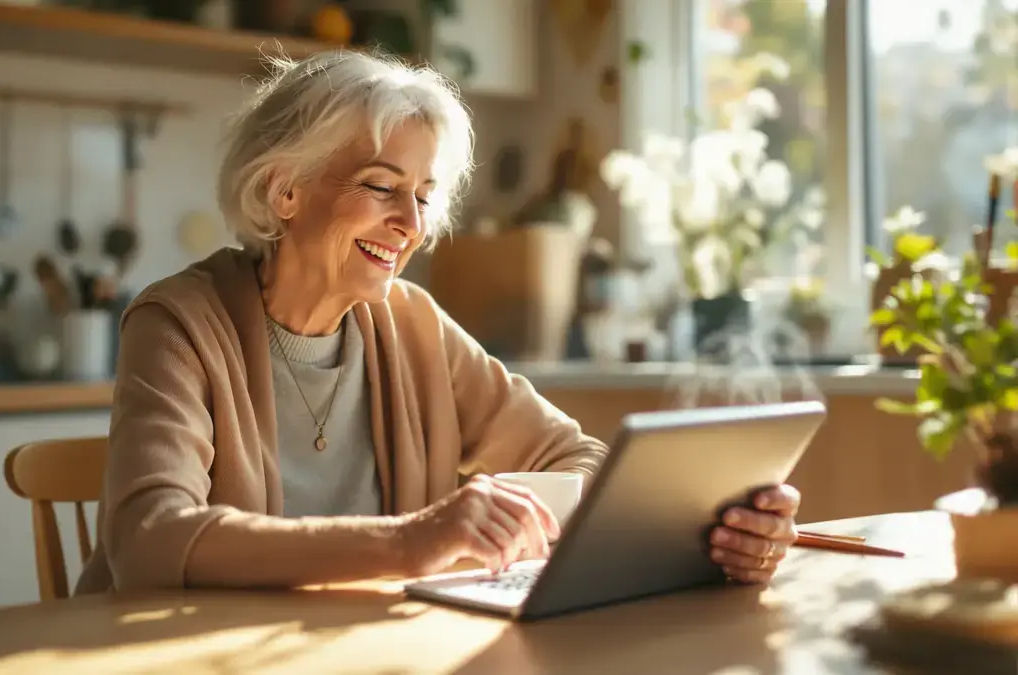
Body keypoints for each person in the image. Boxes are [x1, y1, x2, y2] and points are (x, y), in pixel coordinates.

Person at [74, 50, 802, 594]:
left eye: (423, 195)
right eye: (382, 187)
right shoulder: (178, 322)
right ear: (283, 189)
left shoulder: (411, 323)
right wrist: (408, 542)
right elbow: (150, 540)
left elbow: (572, 460)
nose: (409, 223)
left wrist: (712, 531)